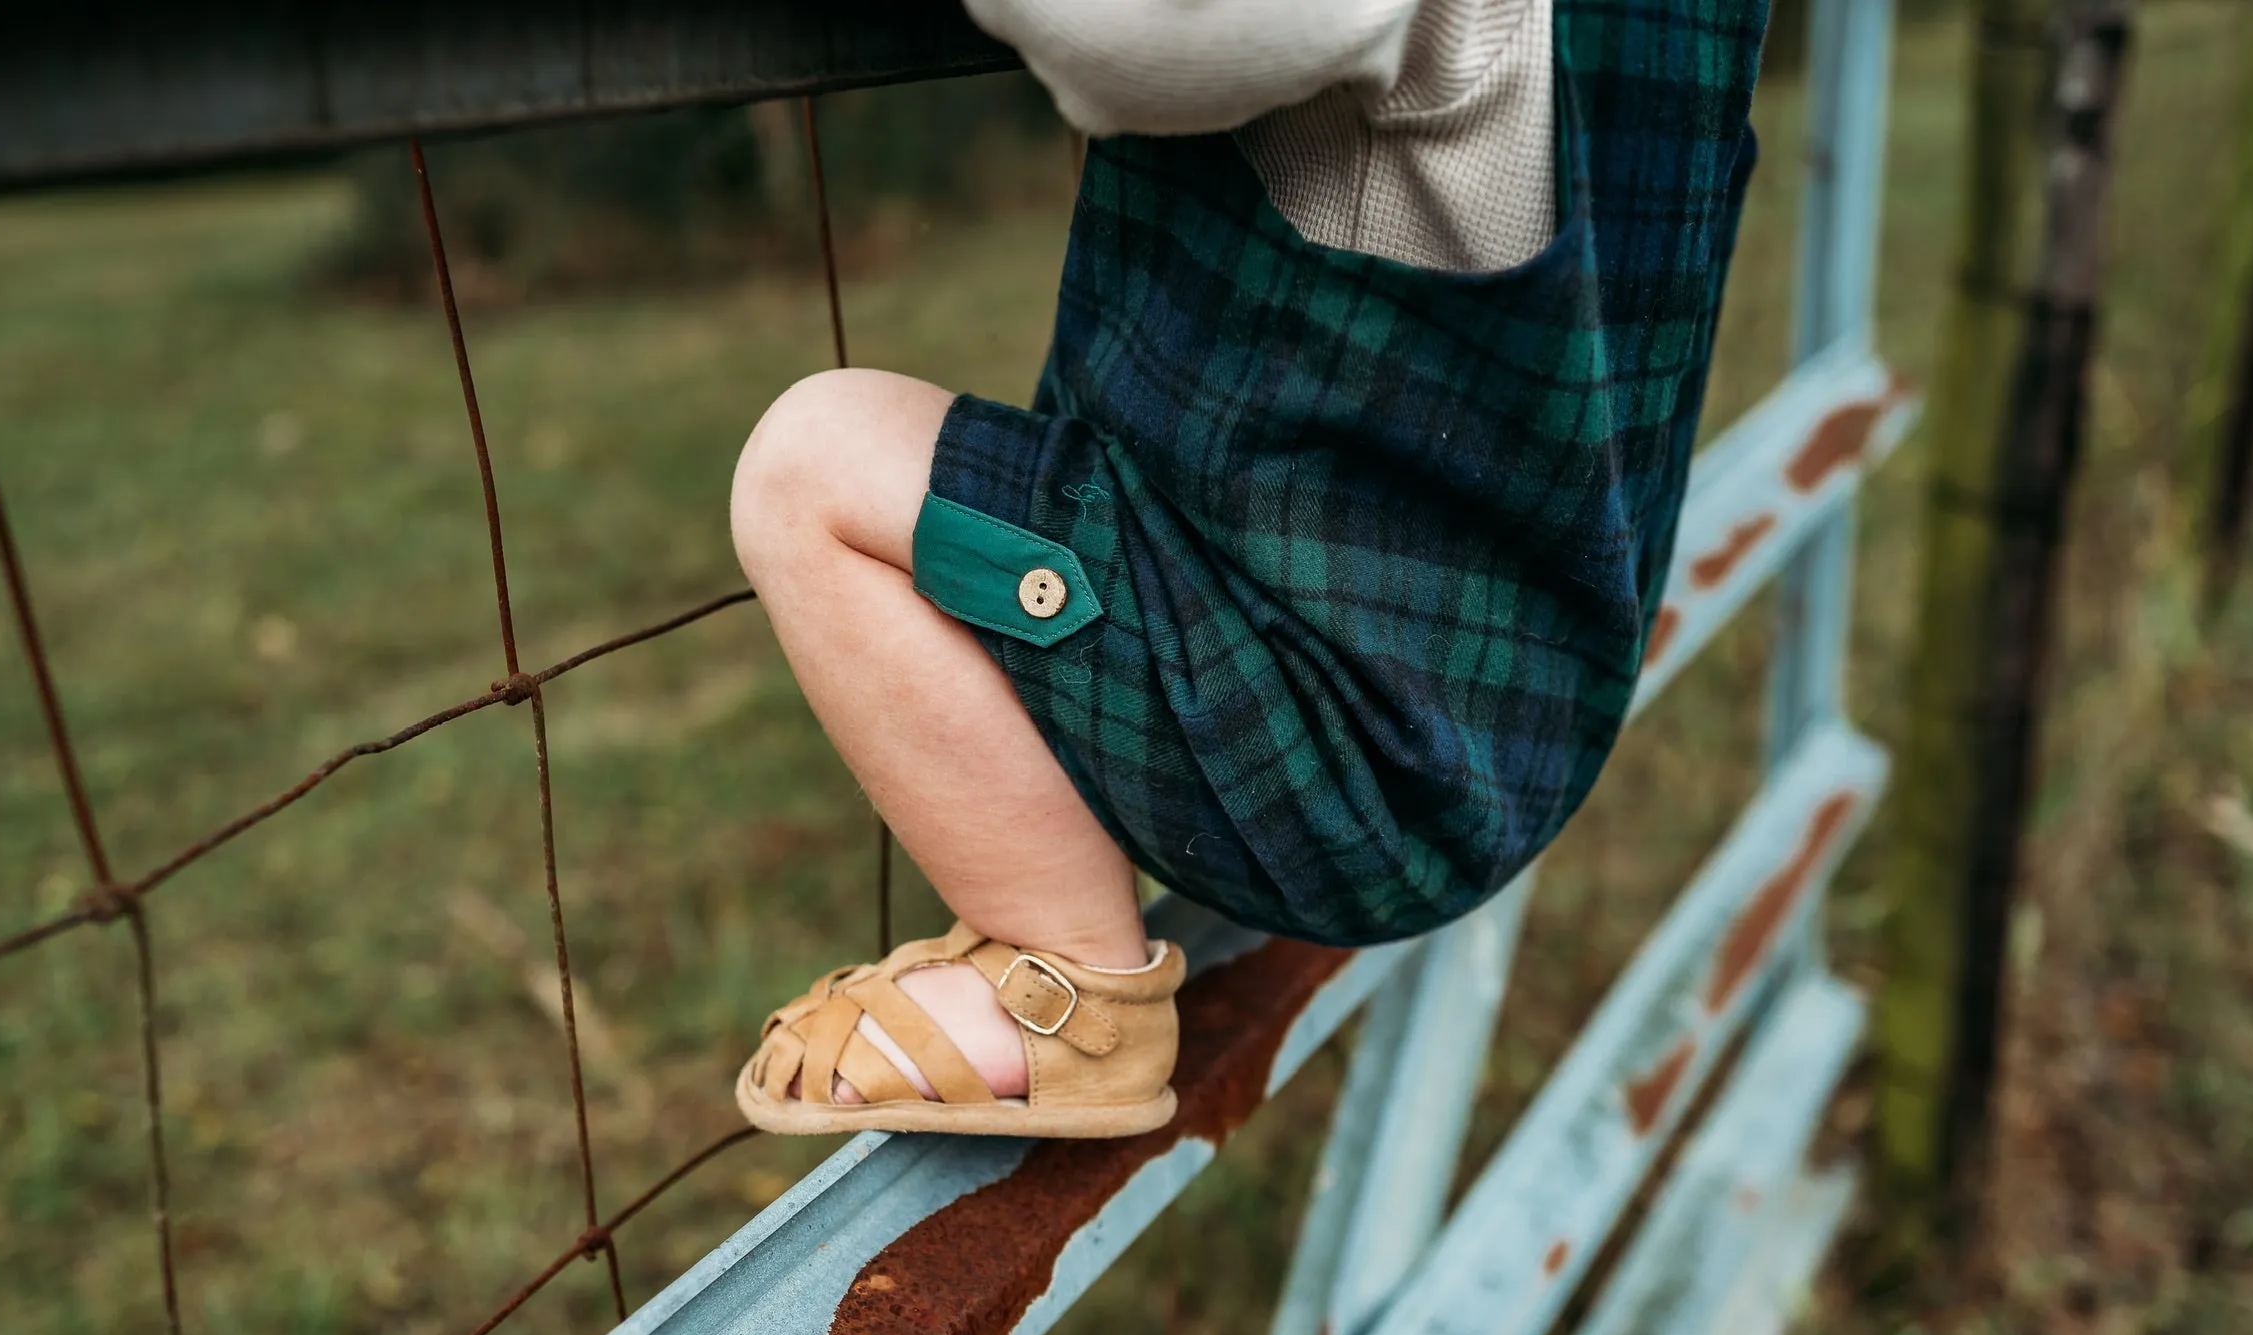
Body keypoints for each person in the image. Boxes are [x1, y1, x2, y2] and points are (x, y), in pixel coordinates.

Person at [729, 0, 1767, 1137]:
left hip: (1327, 744)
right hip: (1505, 702)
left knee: (810, 467)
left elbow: (1141, 33)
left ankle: (1067, 987)